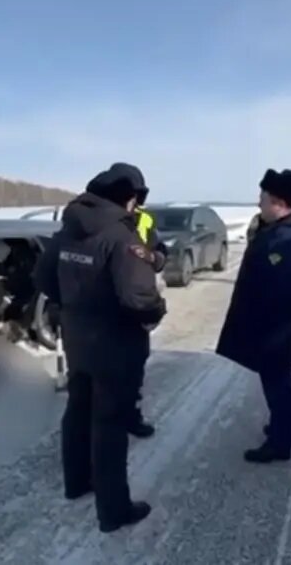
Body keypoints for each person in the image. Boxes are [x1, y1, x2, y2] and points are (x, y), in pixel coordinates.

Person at [32, 162, 166, 533]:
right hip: (116, 344)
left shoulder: (67, 231)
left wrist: (71, 306)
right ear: (128, 198)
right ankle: (114, 509)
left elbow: (42, 277)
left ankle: (77, 483)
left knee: (78, 408)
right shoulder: (121, 238)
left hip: (77, 337)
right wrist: (157, 311)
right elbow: (140, 297)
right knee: (110, 422)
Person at [216, 168, 291, 463]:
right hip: (276, 325)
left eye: (263, 197)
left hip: (276, 327)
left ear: (278, 202)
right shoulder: (279, 231)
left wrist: (263, 326)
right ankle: (287, 427)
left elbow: (282, 290)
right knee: (281, 377)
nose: (258, 203)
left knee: (276, 381)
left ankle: (280, 442)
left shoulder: (288, 240)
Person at [106, 162, 163, 439]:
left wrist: (153, 258)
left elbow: (160, 253)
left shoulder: (145, 220)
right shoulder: (100, 220)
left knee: (134, 368)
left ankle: (132, 414)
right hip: (107, 309)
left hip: (135, 307)